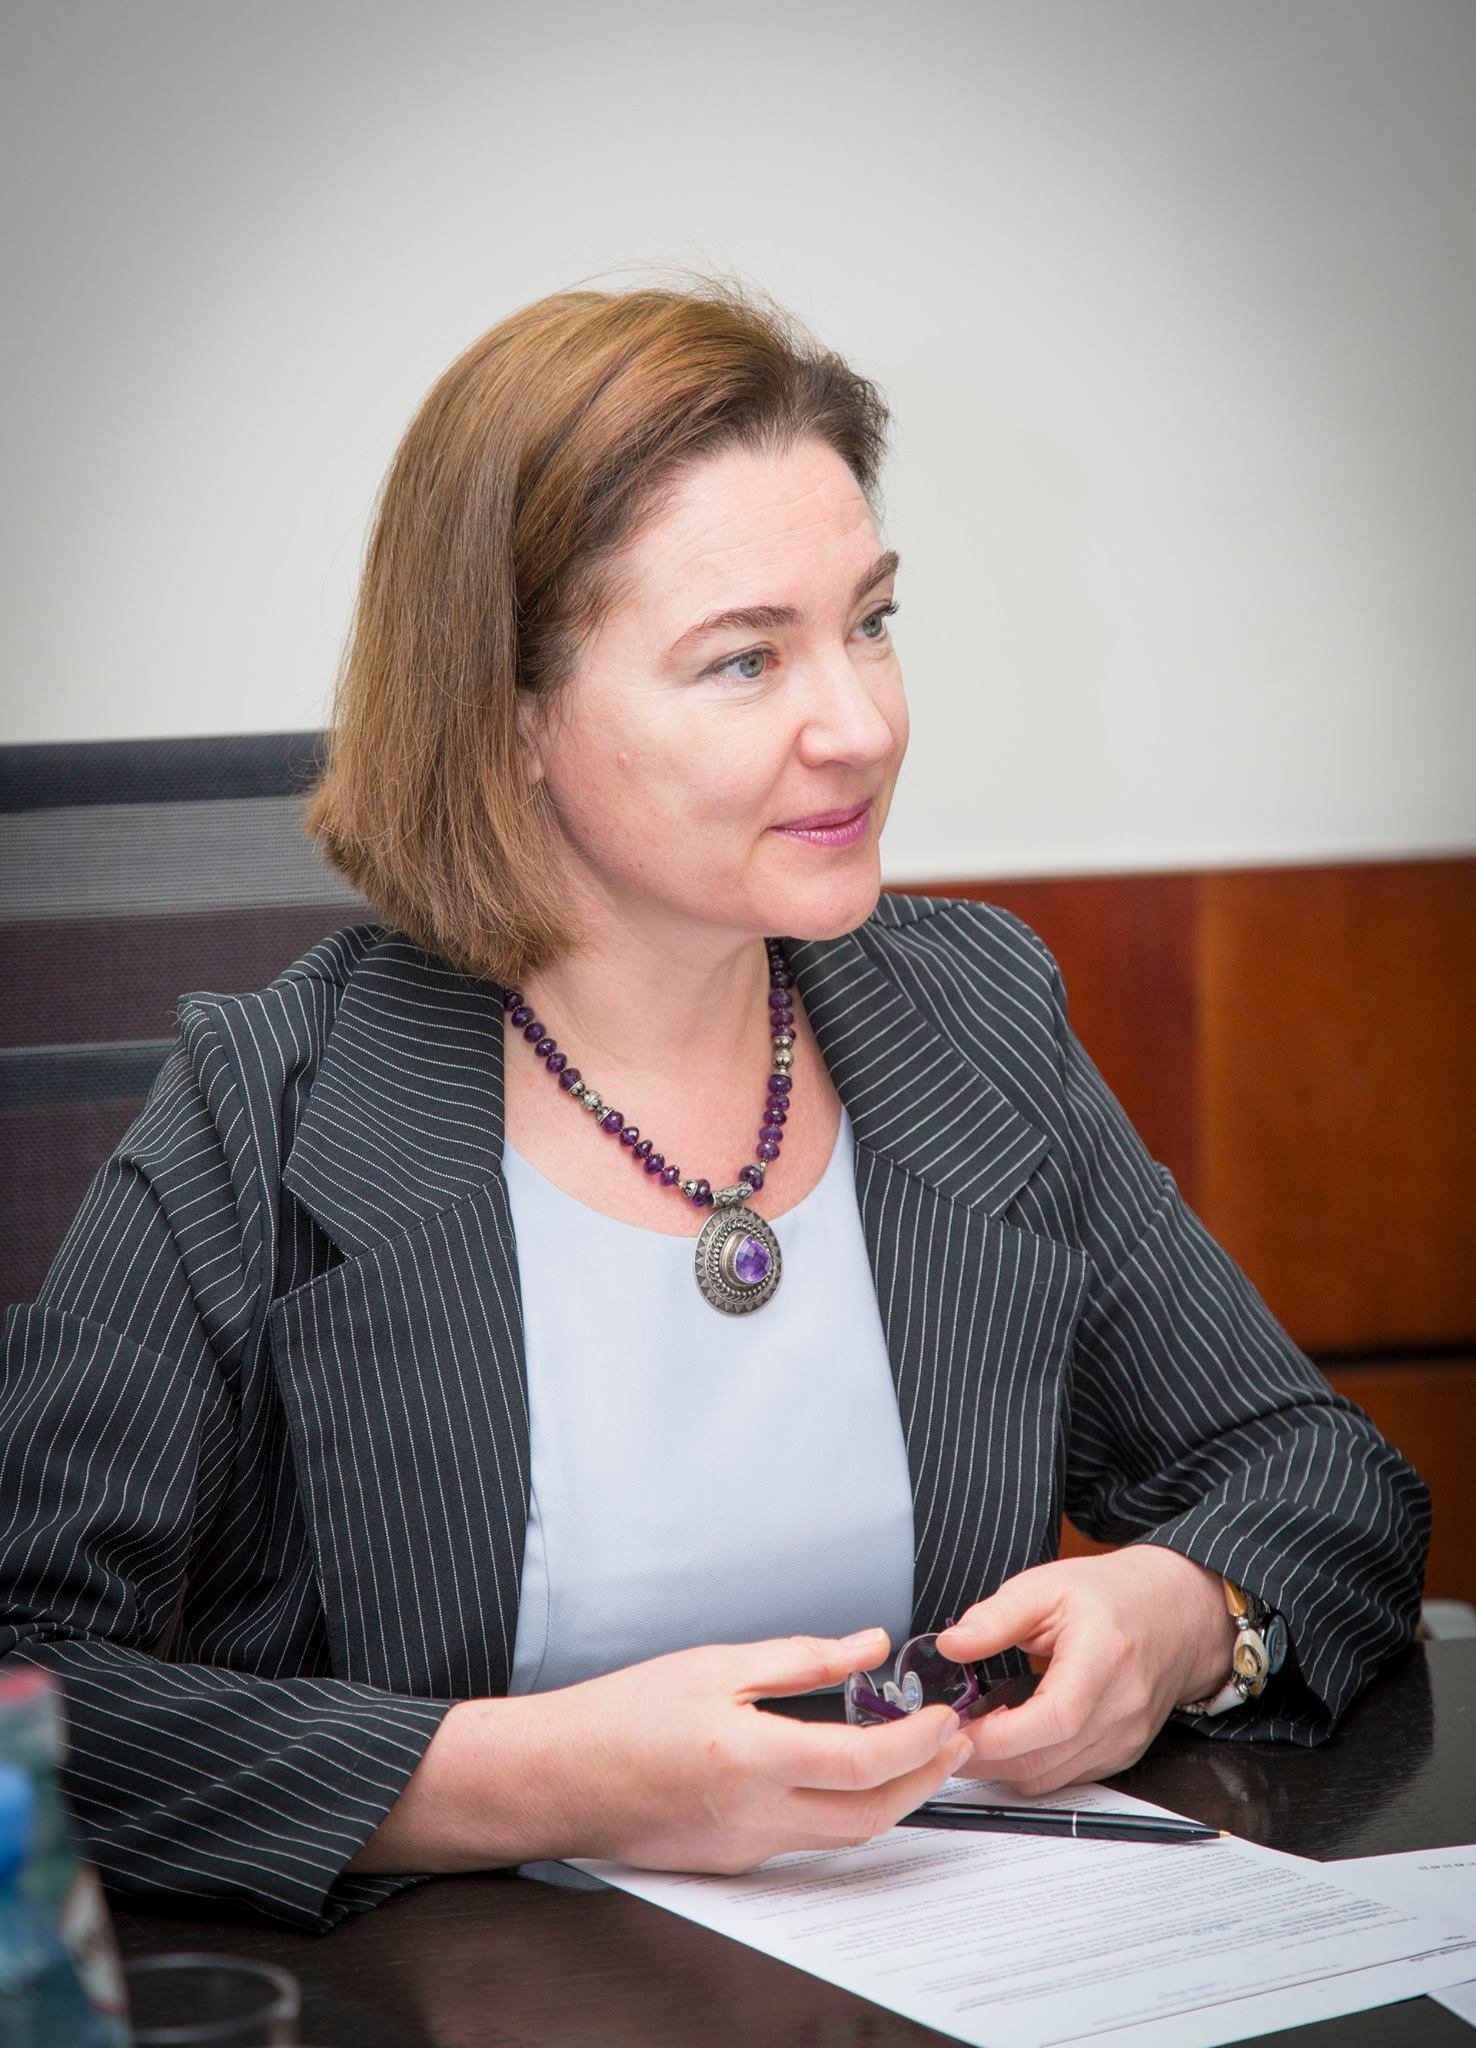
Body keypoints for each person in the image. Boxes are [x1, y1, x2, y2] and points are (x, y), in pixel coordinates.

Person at [0, 276, 1430, 1934]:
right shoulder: (268, 1103)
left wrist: (1181, 1615)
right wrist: (539, 1777)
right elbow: (27, 1682)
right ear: (511, 718)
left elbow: (1320, 1473)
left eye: (871, 621)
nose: (862, 723)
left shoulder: (966, 1019)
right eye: (746, 660)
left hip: (942, 1973)